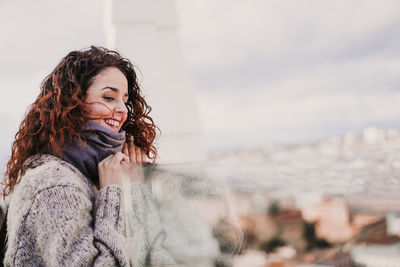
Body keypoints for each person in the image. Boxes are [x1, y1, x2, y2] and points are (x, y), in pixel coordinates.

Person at [2, 46, 158, 266]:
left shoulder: (93, 174)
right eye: (109, 97)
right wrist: (114, 194)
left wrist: (136, 187)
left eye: (125, 99)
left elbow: (151, 255)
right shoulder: (54, 184)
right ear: (73, 103)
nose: (122, 109)